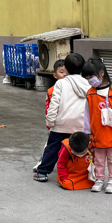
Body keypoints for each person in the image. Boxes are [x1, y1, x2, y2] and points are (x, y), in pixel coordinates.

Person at [36, 52, 88, 182]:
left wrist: (50, 123)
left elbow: (54, 105)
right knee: (80, 150)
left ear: (65, 68)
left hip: (61, 125)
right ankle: (80, 172)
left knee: (52, 148)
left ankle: (42, 172)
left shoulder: (60, 84)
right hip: (81, 125)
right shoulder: (88, 85)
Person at [82, 58, 112, 193]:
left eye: (91, 77)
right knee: (98, 159)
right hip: (97, 133)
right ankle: (99, 179)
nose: (90, 80)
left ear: (101, 73)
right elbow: (87, 113)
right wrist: (87, 131)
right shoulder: (90, 93)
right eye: (87, 78)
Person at [34, 59, 67, 174]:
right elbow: (49, 109)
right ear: (55, 75)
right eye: (61, 72)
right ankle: (42, 163)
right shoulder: (51, 91)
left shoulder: (72, 89)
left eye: (67, 72)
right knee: (50, 146)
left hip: (69, 123)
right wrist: (49, 126)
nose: (65, 75)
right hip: (56, 125)